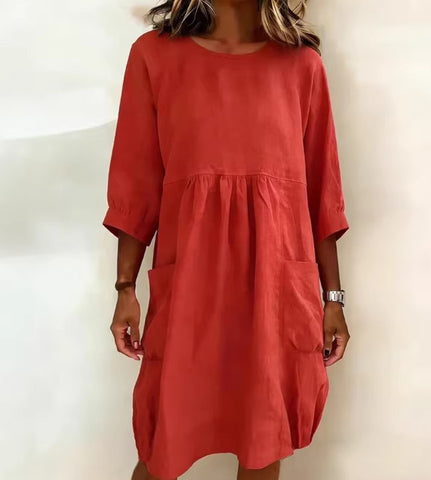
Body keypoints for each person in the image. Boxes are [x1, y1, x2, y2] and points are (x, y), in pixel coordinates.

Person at [102, 1, 351, 479]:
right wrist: (124, 288)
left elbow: (323, 196)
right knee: (163, 445)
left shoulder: (302, 65)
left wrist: (333, 298)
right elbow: (136, 182)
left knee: (263, 439)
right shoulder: (154, 56)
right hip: (191, 283)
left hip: (276, 284)